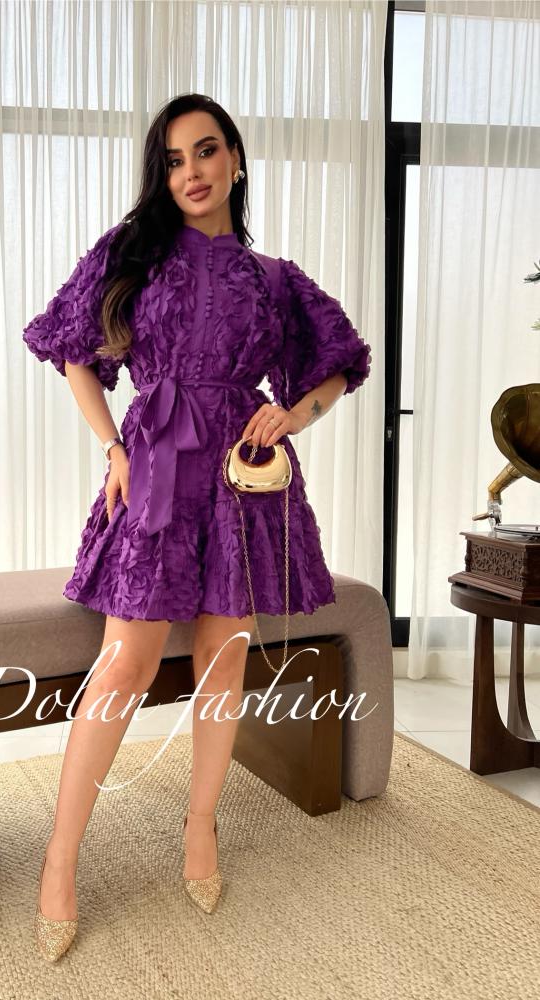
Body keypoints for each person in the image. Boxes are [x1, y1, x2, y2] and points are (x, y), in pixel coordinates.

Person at [23, 93, 371, 962]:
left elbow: (340, 363)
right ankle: (60, 859)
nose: (192, 172)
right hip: (155, 461)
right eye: (174, 160)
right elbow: (71, 350)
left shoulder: (274, 279)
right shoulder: (131, 254)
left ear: (236, 161)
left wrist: (293, 414)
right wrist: (113, 448)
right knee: (126, 663)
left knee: (225, 655)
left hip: (241, 475)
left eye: (207, 151)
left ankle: (201, 826)